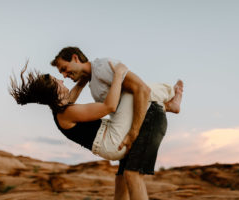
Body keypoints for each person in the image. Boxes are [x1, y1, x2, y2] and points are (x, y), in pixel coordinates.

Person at [50, 47, 183, 200]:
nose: (65, 76)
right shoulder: (92, 82)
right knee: (121, 179)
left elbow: (142, 90)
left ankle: (169, 100)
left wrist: (133, 132)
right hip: (127, 127)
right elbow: (66, 103)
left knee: (132, 175)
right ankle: (168, 104)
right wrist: (83, 80)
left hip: (148, 119)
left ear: (75, 58)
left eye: (64, 69)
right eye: (61, 74)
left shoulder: (102, 67)